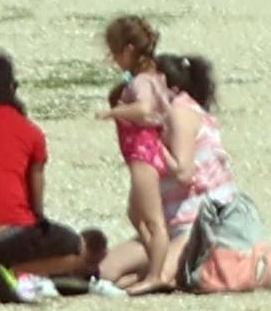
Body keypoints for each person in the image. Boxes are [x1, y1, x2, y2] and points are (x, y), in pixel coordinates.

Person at [0, 55, 106, 303]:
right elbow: (35, 197)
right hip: (8, 235)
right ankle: (10, 271)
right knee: (76, 248)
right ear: (11, 89)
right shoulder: (29, 131)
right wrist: (38, 221)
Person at [98, 52, 240, 291]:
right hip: (169, 222)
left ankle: (163, 274)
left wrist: (153, 144)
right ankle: (149, 275)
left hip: (199, 221)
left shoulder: (181, 113)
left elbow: (185, 174)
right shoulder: (161, 116)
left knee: (159, 276)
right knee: (102, 271)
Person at [100, 15, 174, 296]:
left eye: (115, 53)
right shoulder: (157, 78)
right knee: (136, 212)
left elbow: (143, 110)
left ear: (128, 50)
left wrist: (115, 111)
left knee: (153, 219)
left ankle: (157, 274)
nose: (114, 60)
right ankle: (154, 263)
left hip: (143, 153)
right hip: (146, 152)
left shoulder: (141, 82)